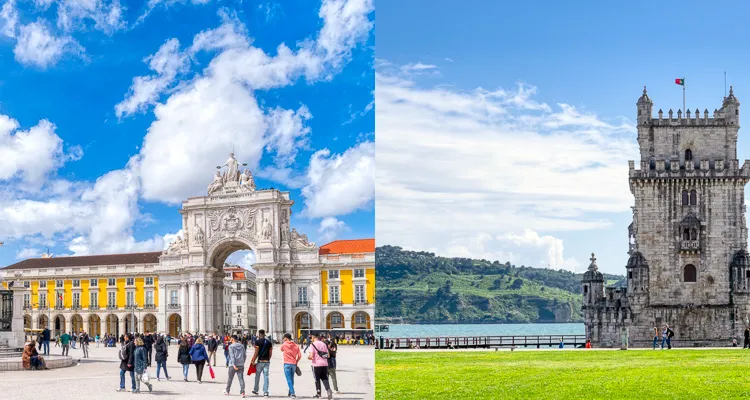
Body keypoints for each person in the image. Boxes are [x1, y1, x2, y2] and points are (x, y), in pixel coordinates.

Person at [309, 334, 333, 399]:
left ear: (313, 337)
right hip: (324, 364)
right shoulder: (323, 344)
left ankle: (318, 394)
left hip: (316, 364)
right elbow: (328, 355)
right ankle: (328, 390)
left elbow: (311, 356)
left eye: (311, 337)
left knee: (317, 379)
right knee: (325, 378)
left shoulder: (312, 345)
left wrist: (308, 357)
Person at [249, 329, 273, 396]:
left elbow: (256, 352)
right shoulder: (269, 342)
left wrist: (253, 361)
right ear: (264, 333)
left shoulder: (257, 342)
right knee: (266, 377)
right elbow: (270, 353)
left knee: (257, 376)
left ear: (259, 334)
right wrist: (268, 359)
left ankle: (256, 390)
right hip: (266, 362)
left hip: (260, 362)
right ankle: (265, 392)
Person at [281, 333, 302, 398]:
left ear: (286, 338)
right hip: (293, 364)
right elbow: (300, 355)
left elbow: (281, 350)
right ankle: (290, 391)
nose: (283, 339)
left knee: (289, 379)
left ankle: (293, 393)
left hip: (287, 364)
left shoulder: (284, 344)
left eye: (284, 338)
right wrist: (296, 361)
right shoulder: (296, 345)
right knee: (292, 378)